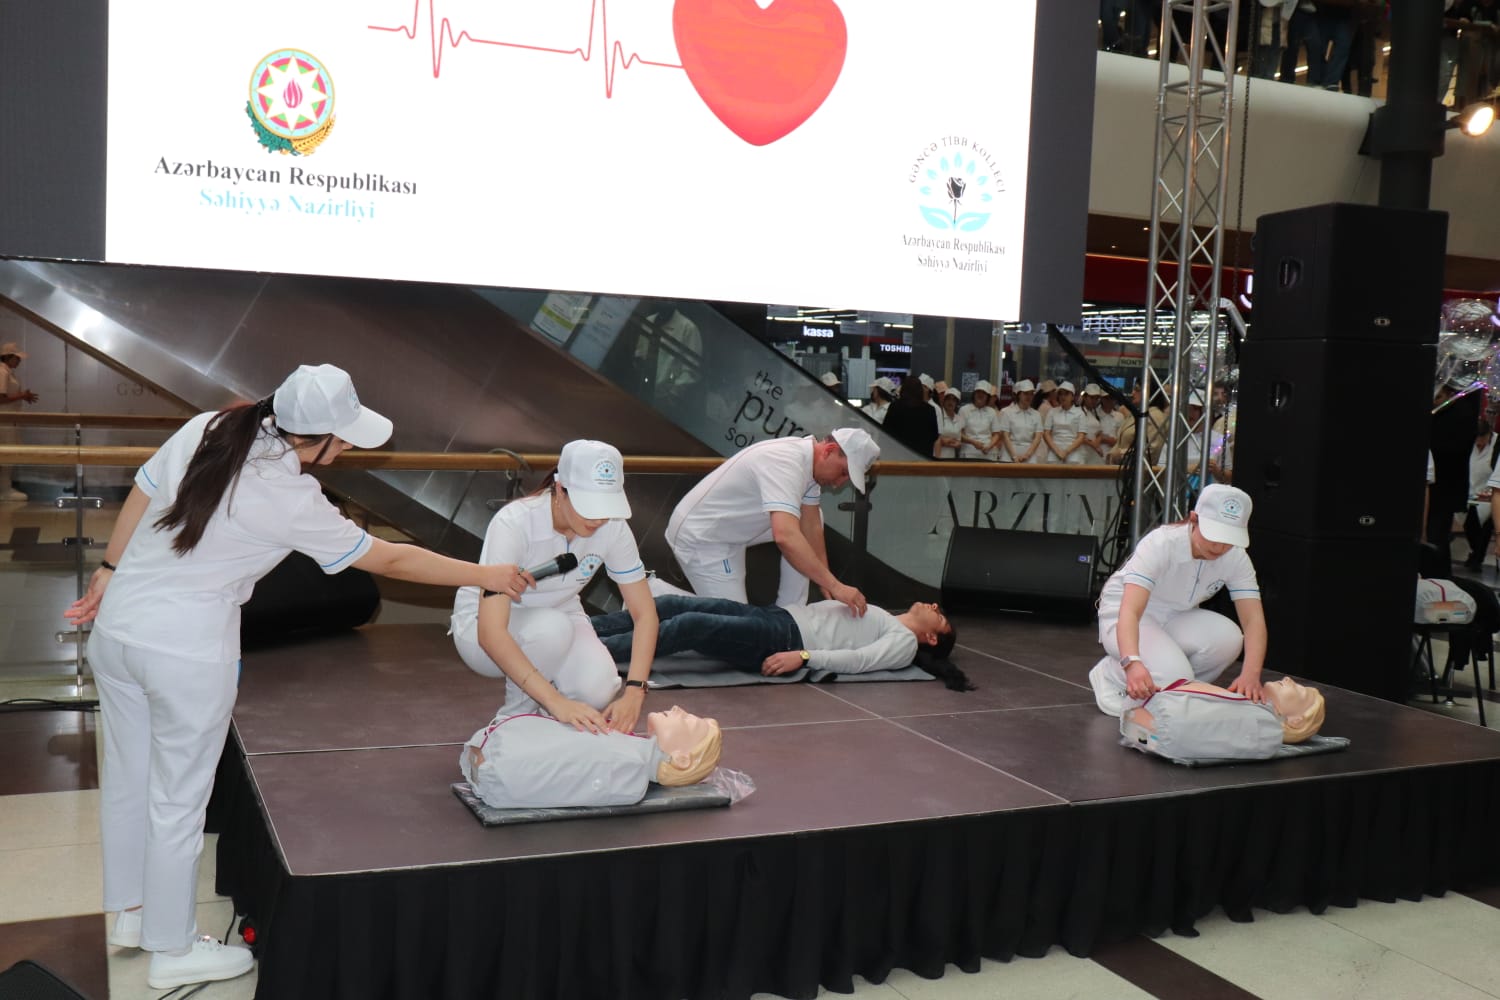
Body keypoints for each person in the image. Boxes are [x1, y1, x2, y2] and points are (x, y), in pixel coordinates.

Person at [62, 364, 534, 992]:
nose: (345, 451)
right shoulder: (289, 496)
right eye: (344, 439)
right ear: (322, 439)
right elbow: (388, 557)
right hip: (185, 651)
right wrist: (487, 575)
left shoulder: (213, 427)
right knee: (178, 800)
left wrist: (109, 569)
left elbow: (144, 492)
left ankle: (130, 914)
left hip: (118, 633)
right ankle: (171, 951)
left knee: (129, 781)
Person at [452, 440, 658, 734]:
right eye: (589, 506)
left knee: (598, 688)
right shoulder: (514, 523)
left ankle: (546, 732)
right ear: (560, 490)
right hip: (481, 627)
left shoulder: (613, 527)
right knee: (551, 629)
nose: (599, 518)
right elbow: (490, 632)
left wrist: (635, 692)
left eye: (606, 506)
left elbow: (645, 614)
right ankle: (507, 727)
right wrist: (555, 700)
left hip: (561, 613)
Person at [1088, 484, 1267, 717]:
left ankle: (1173, 691)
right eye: (1214, 534)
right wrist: (1132, 662)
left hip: (1178, 615)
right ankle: (1112, 673)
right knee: (1173, 672)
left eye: (1229, 538)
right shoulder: (1161, 544)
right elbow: (1130, 611)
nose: (1220, 547)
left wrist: (1251, 675)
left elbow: (1253, 620)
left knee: (1229, 639)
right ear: (1194, 519)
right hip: (1126, 614)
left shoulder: (1236, 558)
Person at [665, 427, 878, 612]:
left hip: (728, 533)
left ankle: (791, 612)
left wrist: (827, 584)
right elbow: (785, 536)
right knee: (735, 633)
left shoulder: (810, 465)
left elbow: (812, 526)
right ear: (829, 451)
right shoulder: (785, 462)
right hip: (702, 539)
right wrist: (836, 586)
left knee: (812, 517)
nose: (839, 484)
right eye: (843, 472)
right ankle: (651, 593)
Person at [592, 594, 958, 677]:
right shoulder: (889, 618)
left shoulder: (905, 643)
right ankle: (584, 631)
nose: (934, 607)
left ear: (931, 640)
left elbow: (860, 661)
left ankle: (594, 653)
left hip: (785, 639)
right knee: (670, 604)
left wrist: (804, 658)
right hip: (779, 617)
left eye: (939, 618)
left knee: (689, 625)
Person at [460, 705, 722, 809]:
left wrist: (489, 767)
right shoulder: (629, 749)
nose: (679, 709)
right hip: (494, 751)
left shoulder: (629, 770)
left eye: (688, 721)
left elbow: (548, 774)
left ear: (681, 759)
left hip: (498, 767)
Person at [0, 341, 40, 501]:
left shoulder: (7, 372)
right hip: (4, 421)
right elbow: (1, 398)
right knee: (6, 455)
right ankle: (4, 489)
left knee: (7, 454)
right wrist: (22, 396)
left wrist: (22, 396)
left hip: (9, 420)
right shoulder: (2, 372)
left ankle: (5, 486)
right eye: (17, 358)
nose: (19, 361)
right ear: (8, 357)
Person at [881, 376, 939, 458]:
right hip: (922, 458)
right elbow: (934, 435)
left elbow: (886, 432)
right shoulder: (930, 410)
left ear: (903, 389)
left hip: (898, 457)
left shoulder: (895, 407)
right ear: (920, 391)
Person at [996, 379, 1043, 463]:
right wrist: (1014, 456)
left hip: (1030, 455)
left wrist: (1027, 455)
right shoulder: (1007, 412)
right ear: (1018, 395)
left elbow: (1037, 437)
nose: (1029, 396)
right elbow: (1005, 436)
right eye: (1025, 393)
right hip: (1008, 453)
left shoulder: (1036, 414)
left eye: (1031, 394)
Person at [1042, 381, 1087, 464]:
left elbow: (1081, 437)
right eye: (1061, 394)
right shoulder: (1052, 412)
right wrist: (1057, 451)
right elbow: (1046, 434)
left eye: (1066, 394)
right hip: (1054, 452)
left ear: (1072, 396)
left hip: (1074, 453)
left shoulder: (1080, 413)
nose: (1063, 397)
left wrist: (1066, 452)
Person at [957, 381, 1001, 460]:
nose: (980, 395)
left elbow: (996, 434)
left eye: (983, 393)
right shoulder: (964, 410)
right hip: (968, 452)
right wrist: (973, 442)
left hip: (988, 453)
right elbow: (959, 433)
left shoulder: (992, 412)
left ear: (987, 396)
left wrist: (990, 446)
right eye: (978, 392)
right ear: (974, 394)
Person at [1078, 383, 1106, 463]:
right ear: (1085, 397)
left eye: (1096, 398)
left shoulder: (1095, 413)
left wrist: (1096, 443)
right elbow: (1077, 434)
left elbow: (1099, 432)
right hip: (1081, 451)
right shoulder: (1077, 412)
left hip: (1093, 454)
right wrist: (1093, 445)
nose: (1094, 401)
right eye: (1092, 398)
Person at [934, 387, 964, 459]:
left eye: (954, 400)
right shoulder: (938, 415)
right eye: (948, 399)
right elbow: (934, 438)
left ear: (957, 403)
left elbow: (958, 441)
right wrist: (944, 441)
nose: (950, 402)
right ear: (944, 401)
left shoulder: (959, 419)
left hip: (951, 457)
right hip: (937, 456)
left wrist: (948, 442)